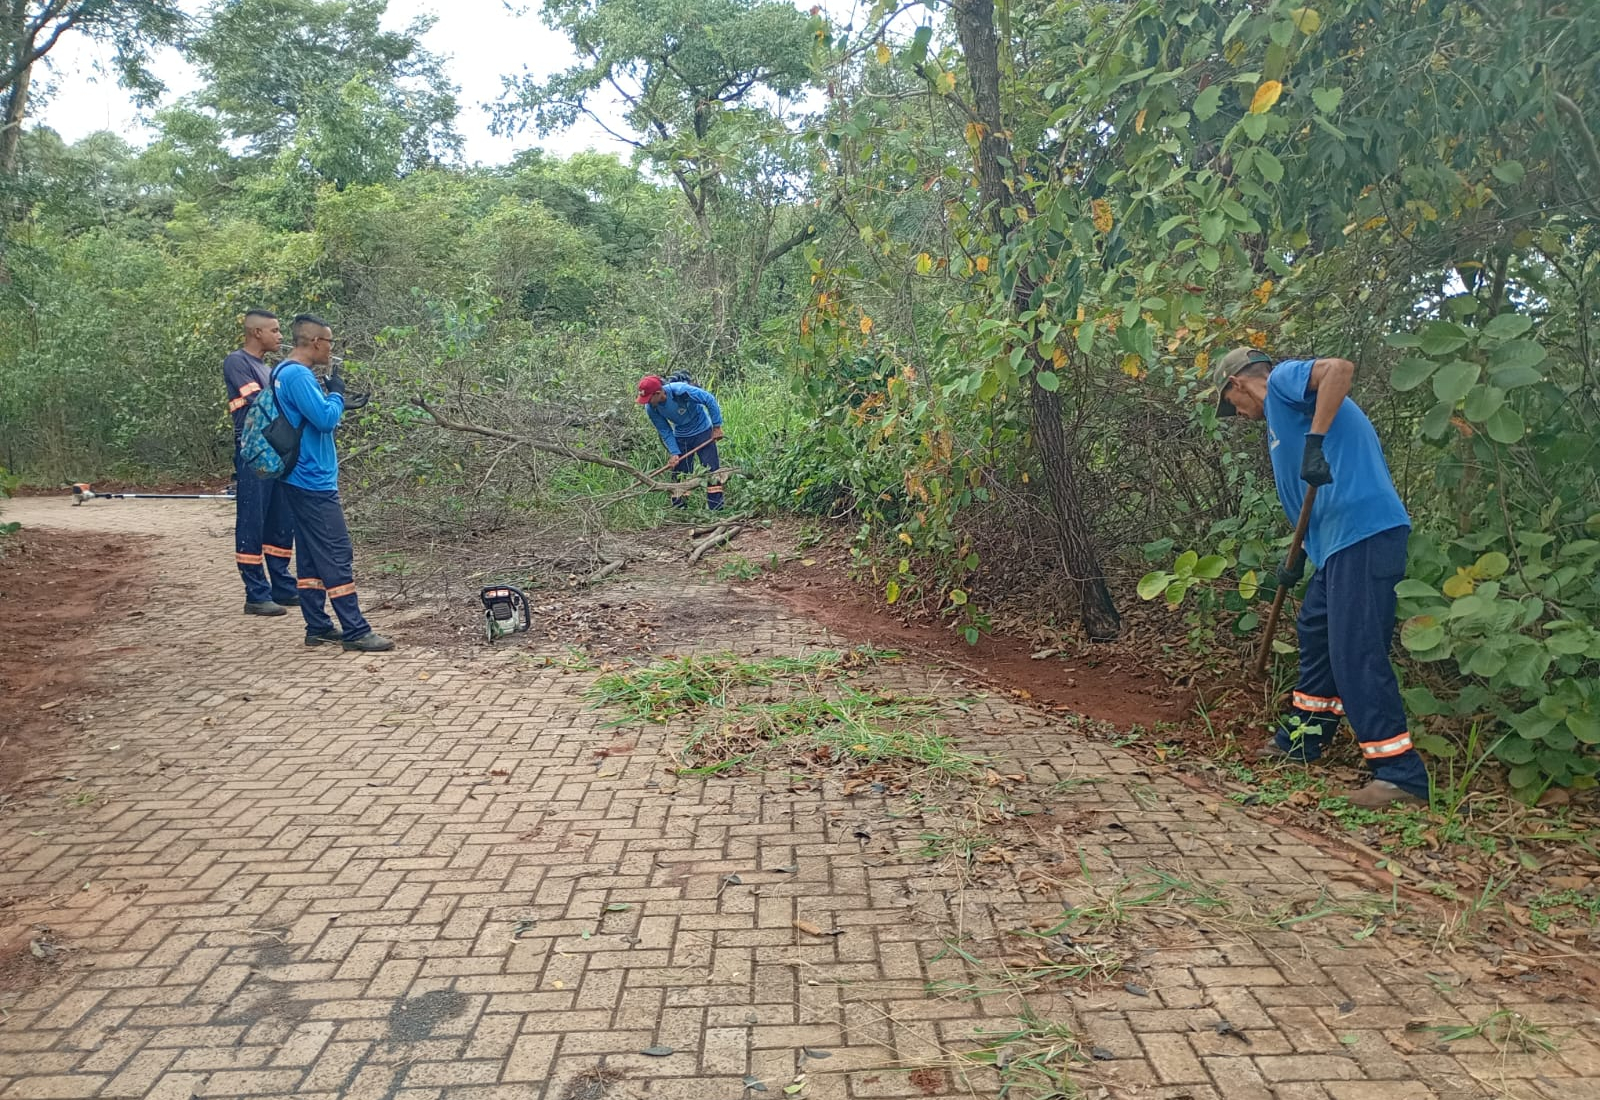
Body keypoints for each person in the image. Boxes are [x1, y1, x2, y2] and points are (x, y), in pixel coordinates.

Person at [1212, 347, 1430, 808]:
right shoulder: (1278, 412)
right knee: (1316, 632)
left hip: (1365, 533)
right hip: (1334, 544)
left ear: (1237, 384)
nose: (1238, 414)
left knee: (1356, 648)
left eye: (1232, 405)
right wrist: (1301, 554)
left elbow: (1340, 369)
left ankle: (1400, 775)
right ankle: (1304, 739)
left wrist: (1316, 441)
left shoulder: (1283, 383)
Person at [272, 314, 393, 652]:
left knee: (311, 555)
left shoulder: (283, 371)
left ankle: (318, 626)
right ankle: (355, 630)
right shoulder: (297, 375)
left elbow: (311, 416)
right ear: (314, 342)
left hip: (298, 476)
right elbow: (325, 420)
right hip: (312, 479)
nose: (331, 349)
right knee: (337, 553)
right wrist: (337, 396)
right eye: (329, 342)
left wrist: (334, 400)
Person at [223, 310, 298, 616]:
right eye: (275, 331)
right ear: (257, 333)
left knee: (281, 522)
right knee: (252, 520)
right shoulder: (237, 362)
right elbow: (259, 402)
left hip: (278, 453)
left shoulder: (269, 368)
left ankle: (281, 585)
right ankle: (255, 592)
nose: (280, 336)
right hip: (254, 454)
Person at [637, 373, 726, 511]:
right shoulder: (651, 408)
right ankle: (680, 509)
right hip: (681, 435)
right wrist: (674, 452)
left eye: (649, 398)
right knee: (680, 473)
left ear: (659, 393)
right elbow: (665, 430)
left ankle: (717, 509)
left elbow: (709, 400)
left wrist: (717, 427)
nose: (647, 402)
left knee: (711, 470)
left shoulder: (681, 391)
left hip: (703, 430)